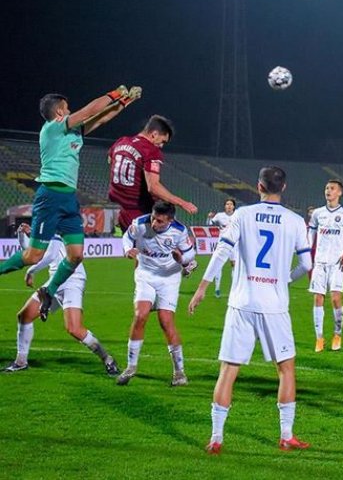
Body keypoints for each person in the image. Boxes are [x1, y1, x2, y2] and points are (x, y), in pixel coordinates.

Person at [189, 166, 313, 454]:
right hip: (275, 306)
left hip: (241, 303)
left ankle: (217, 438)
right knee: (285, 370)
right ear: (283, 188)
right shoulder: (295, 221)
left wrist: (202, 287)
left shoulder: (242, 215)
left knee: (228, 370)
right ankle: (286, 435)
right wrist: (285, 279)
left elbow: (222, 251)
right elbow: (307, 266)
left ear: (258, 186)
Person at [0, 86, 141, 319]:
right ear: (58, 112)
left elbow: (102, 117)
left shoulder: (74, 132)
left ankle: (49, 290)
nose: (70, 111)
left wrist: (126, 102)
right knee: (33, 256)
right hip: (50, 197)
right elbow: (88, 110)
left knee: (76, 255)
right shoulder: (53, 129)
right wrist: (116, 93)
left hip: (68, 199)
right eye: (66, 108)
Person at [3, 224, 119, 375]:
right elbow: (30, 253)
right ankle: (20, 362)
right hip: (54, 280)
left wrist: (31, 271)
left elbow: (50, 255)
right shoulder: (45, 229)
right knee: (24, 316)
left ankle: (107, 359)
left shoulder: (57, 226)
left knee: (74, 328)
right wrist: (21, 234)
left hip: (72, 279)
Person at [116, 201, 196, 387]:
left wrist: (181, 258)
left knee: (165, 321)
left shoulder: (179, 231)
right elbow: (127, 237)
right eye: (153, 218)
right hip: (145, 275)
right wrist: (128, 249)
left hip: (169, 278)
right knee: (140, 315)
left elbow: (190, 254)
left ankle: (179, 372)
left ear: (170, 220)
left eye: (159, 221)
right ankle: (131, 367)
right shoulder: (139, 224)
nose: (154, 224)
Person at [108, 115, 198, 232]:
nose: (161, 146)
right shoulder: (150, 150)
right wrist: (183, 203)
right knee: (163, 246)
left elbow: (110, 160)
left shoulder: (121, 141)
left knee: (130, 248)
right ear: (154, 134)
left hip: (120, 208)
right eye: (162, 141)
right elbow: (153, 187)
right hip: (139, 211)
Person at [308, 180, 343, 352]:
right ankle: (319, 338)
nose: (328, 191)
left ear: (339, 193)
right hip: (320, 262)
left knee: (336, 298)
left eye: (332, 188)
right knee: (317, 298)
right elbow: (311, 231)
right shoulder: (317, 213)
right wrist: (309, 247)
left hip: (337, 262)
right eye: (326, 188)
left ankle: (337, 334)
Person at [207, 199, 238, 298]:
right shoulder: (220, 215)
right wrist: (209, 218)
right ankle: (217, 289)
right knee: (219, 265)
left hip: (234, 244)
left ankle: (234, 290)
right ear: (225, 206)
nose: (229, 206)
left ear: (234, 206)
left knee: (234, 265)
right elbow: (209, 224)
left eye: (231, 204)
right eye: (227, 204)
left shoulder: (238, 215)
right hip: (222, 244)